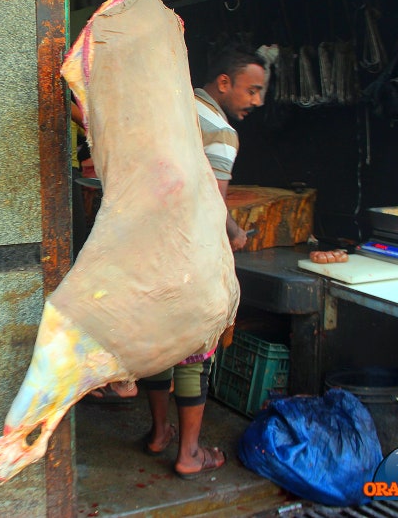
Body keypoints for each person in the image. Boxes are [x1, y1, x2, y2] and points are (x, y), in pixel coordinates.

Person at [140, 43, 266, 478]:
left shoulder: (170, 106)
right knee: (193, 352)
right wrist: (232, 234)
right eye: (252, 91)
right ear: (224, 83)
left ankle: (160, 433)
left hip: (146, 248)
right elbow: (211, 203)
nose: (257, 102)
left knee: (157, 346)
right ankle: (190, 453)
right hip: (187, 253)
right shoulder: (220, 129)